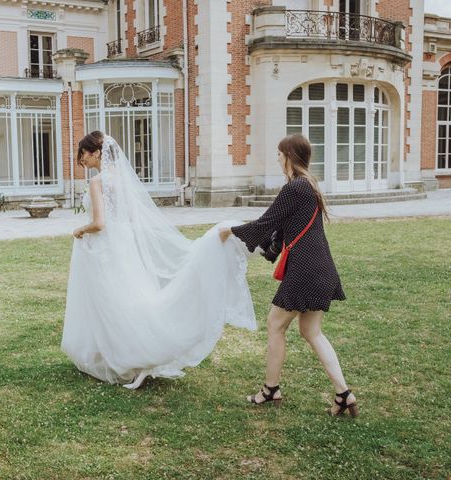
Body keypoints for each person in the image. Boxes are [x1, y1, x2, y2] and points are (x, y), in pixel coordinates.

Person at [62, 131, 256, 389]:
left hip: (105, 249)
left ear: (96, 153)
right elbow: (127, 217)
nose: (81, 159)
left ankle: (123, 355)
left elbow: (99, 223)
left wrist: (80, 230)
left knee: (108, 301)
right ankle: (121, 350)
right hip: (123, 245)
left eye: (83, 154)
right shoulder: (121, 180)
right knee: (126, 299)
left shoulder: (98, 182)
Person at [219, 134, 358, 417]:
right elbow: (281, 230)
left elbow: (266, 222)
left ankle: (270, 390)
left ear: (290, 157)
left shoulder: (295, 188)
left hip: (305, 270)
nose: (278, 159)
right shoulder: (309, 187)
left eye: (280, 154)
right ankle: (344, 394)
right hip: (321, 268)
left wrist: (230, 232)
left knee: (275, 324)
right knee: (311, 331)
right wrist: (268, 251)